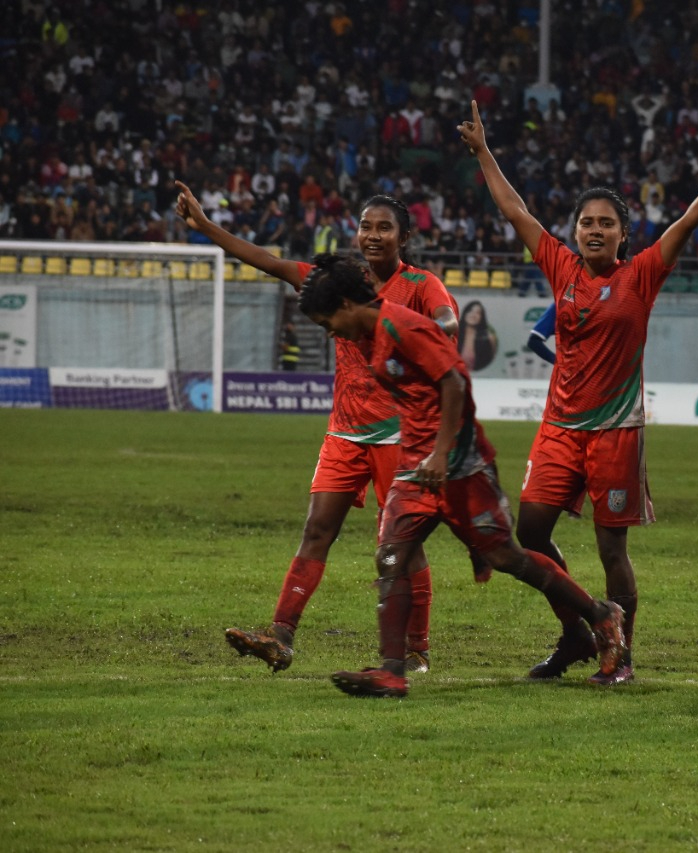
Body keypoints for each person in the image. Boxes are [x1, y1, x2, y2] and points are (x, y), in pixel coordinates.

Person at [458, 100, 698, 684]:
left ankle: (620, 654)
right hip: (559, 429)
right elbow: (515, 210)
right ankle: (578, 631)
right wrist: (483, 152)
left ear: (624, 234)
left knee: (611, 551)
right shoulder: (561, 268)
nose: (594, 230)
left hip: (617, 433)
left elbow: (690, 218)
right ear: (575, 232)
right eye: (586, 223)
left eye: (606, 223)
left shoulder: (642, 275)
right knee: (531, 532)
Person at [295, 255, 627, 697]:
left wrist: (442, 452)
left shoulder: (403, 327)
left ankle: (600, 613)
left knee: (507, 557)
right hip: (418, 468)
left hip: (458, 466)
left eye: (329, 321)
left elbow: (453, 381)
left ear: (345, 303)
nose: (331, 332)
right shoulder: (373, 336)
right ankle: (393, 671)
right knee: (391, 555)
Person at [174, 180, 462, 675]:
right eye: (365, 227)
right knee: (316, 531)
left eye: (384, 228)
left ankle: (417, 650)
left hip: (401, 435)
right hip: (345, 432)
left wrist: (422, 339)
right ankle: (280, 636)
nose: (372, 235)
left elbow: (447, 323)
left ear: (404, 237)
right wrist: (204, 226)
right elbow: (267, 261)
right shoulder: (336, 283)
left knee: (399, 543)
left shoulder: (420, 286)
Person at [457, 300, 498, 372]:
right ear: (465, 314)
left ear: (481, 318)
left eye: (478, 313)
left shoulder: (489, 338)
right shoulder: (453, 334)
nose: (473, 315)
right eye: (470, 311)